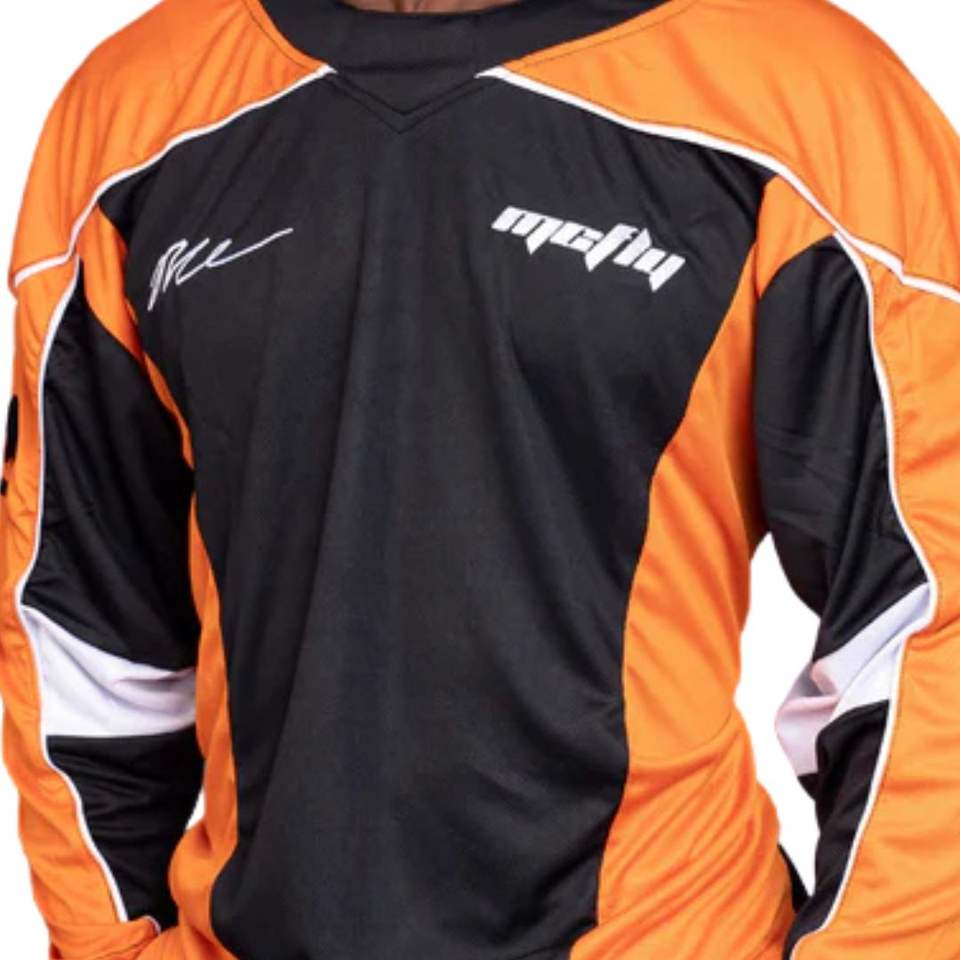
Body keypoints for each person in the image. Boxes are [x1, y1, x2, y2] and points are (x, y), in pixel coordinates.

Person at [3, 0, 960, 958]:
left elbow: (926, 613)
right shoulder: (136, 117)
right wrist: (105, 946)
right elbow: (76, 617)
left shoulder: (805, 103)